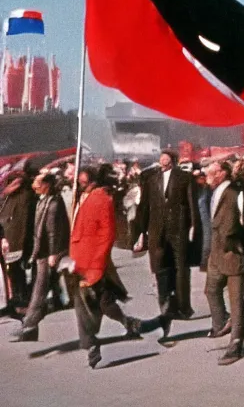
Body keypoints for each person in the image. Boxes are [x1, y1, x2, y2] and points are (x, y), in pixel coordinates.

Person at [68, 165, 141, 368]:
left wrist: (97, 265)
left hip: (93, 262)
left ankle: (91, 344)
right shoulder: (79, 197)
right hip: (77, 260)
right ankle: (128, 323)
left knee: (87, 304)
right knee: (103, 302)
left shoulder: (101, 199)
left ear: (92, 181)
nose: (79, 183)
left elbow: (107, 235)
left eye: (83, 181)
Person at [135, 150, 199, 336]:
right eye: (161, 158)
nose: (163, 160)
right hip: (157, 227)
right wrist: (141, 232)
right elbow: (144, 206)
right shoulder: (151, 178)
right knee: (160, 267)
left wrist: (193, 225)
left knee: (181, 267)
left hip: (178, 226)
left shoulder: (184, 177)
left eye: (167, 158)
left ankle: (183, 306)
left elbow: (191, 203)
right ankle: (165, 305)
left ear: (173, 161)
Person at [11, 173, 70, 342]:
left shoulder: (53, 204)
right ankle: (31, 328)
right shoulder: (42, 201)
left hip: (48, 255)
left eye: (37, 182)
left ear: (46, 184)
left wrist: (53, 253)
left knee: (39, 292)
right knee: (40, 291)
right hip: (41, 253)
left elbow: (53, 232)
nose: (34, 186)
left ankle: (28, 326)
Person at [203, 162, 244, 366]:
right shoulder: (215, 191)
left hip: (230, 253)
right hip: (216, 252)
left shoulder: (230, 193)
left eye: (210, 172)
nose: (206, 175)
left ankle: (236, 344)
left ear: (222, 174)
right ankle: (221, 322)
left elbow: (231, 223)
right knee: (211, 289)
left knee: (236, 301)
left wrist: (228, 242)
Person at [0, 171, 36, 316]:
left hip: (18, 242)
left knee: (17, 272)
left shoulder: (25, 196)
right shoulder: (7, 197)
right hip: (9, 241)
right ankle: (17, 299)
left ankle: (22, 300)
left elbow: (22, 222)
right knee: (13, 273)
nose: (12, 185)